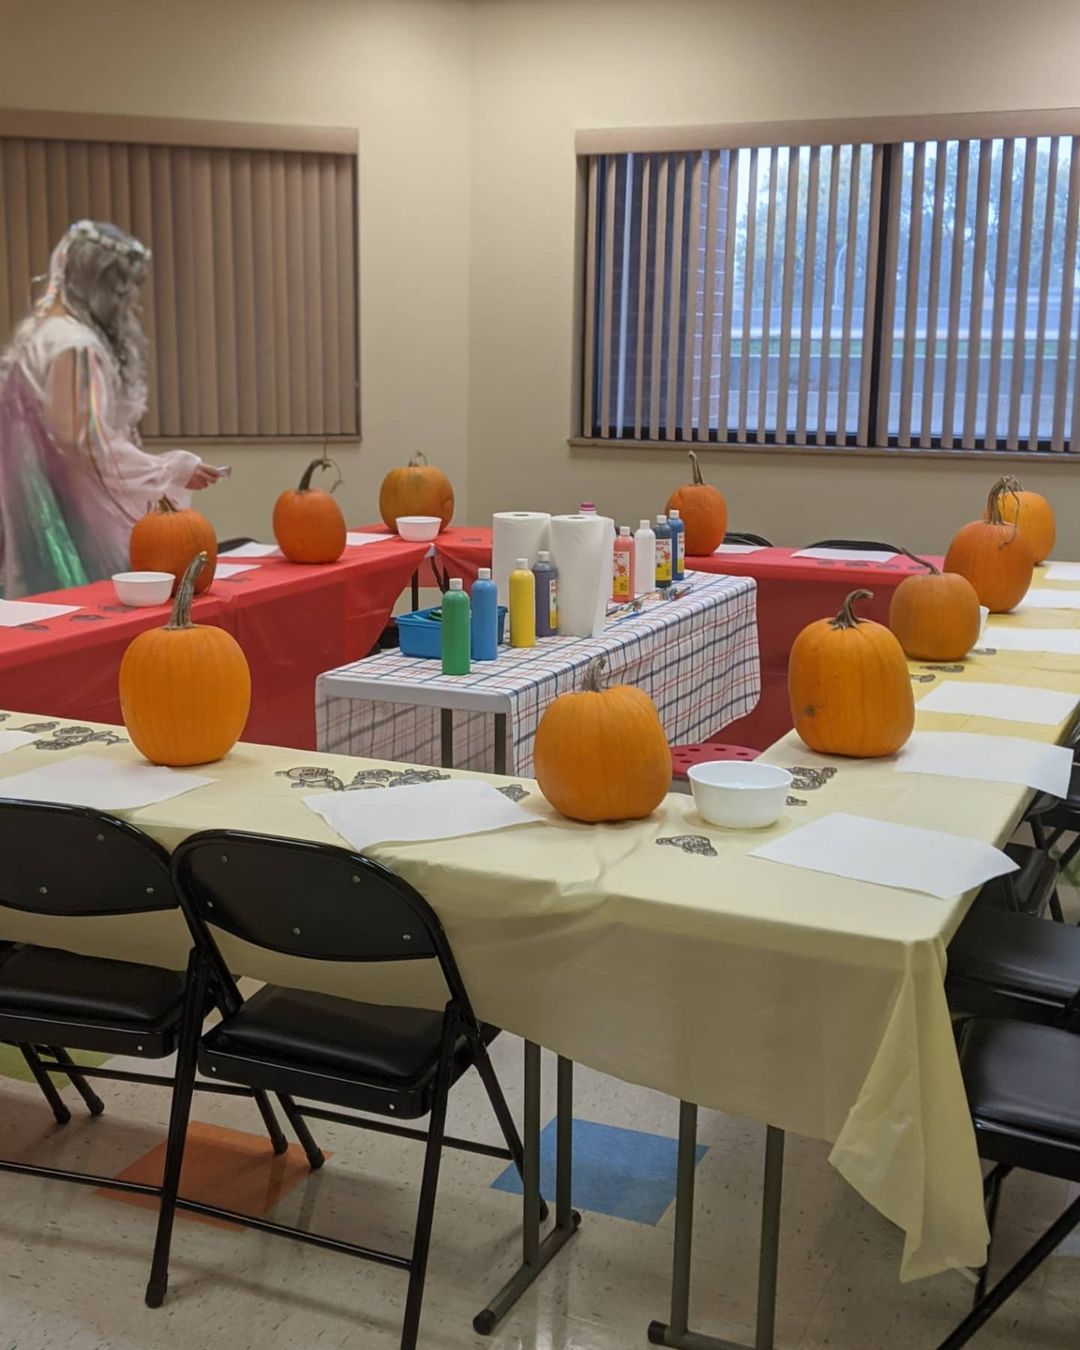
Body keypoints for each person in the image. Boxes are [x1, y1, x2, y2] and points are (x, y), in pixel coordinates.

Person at [0, 219, 222, 598]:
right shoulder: (74, 346)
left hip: (32, 515)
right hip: (69, 529)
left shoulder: (34, 336)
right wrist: (169, 468)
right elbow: (84, 446)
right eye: (123, 292)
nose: (128, 304)